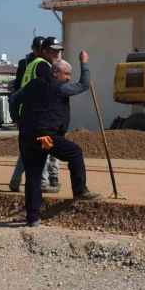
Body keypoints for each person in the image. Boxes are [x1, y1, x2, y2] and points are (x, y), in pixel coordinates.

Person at [11, 50, 100, 227]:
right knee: (74, 152)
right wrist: (84, 62)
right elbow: (83, 84)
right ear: (55, 72)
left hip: (27, 138)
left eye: (70, 75)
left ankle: (33, 218)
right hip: (44, 137)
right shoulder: (58, 87)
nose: (68, 78)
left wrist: (17, 120)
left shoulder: (33, 85)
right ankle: (80, 190)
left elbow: (14, 98)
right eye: (66, 74)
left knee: (33, 176)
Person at [9, 36, 61, 193]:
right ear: (38, 50)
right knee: (43, 148)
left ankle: (17, 179)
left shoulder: (32, 64)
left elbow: (18, 92)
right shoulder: (40, 66)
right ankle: (44, 182)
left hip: (28, 114)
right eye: (52, 51)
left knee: (29, 149)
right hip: (38, 116)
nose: (56, 54)